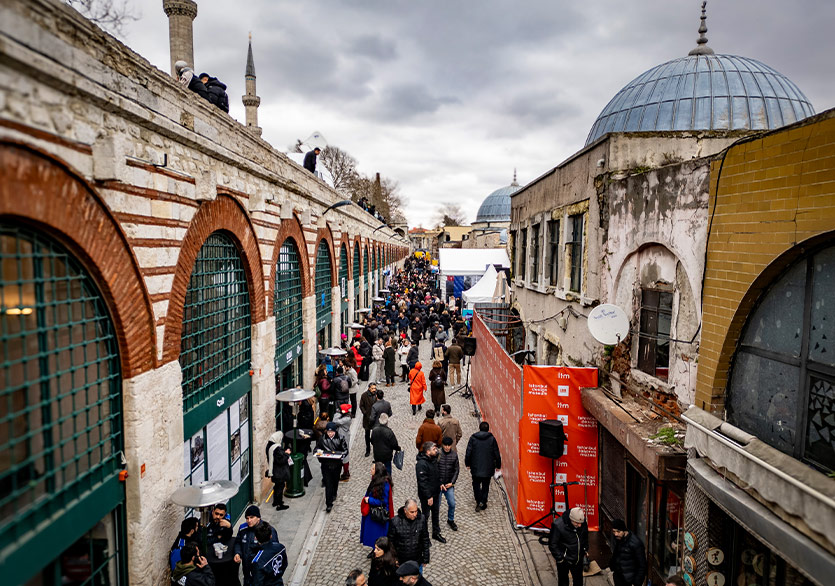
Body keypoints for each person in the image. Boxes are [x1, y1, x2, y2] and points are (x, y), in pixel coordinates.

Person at [234, 506, 278, 586]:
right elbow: (238, 542)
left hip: (261, 574)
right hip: (247, 572)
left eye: (251, 517)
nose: (249, 520)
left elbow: (274, 552)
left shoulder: (267, 531)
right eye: (247, 518)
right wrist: (237, 553)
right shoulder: (242, 528)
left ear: (258, 518)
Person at [465, 421, 502, 510]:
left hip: (476, 467)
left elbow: (468, 452)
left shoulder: (473, 438)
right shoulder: (492, 439)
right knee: (486, 486)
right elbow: (496, 453)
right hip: (488, 467)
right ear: (488, 429)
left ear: (479, 428)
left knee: (476, 485)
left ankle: (478, 501)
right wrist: (498, 465)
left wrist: (467, 463)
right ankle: (483, 501)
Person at [548, 507, 589, 586]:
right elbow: (552, 544)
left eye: (581, 523)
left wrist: (585, 549)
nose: (580, 525)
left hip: (578, 559)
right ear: (571, 519)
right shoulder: (558, 525)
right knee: (563, 582)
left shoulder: (582, 522)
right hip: (564, 560)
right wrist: (560, 558)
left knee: (578, 581)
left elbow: (585, 537)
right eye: (577, 523)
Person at [387, 499, 431, 570]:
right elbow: (390, 543)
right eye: (412, 512)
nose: (415, 514)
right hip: (401, 561)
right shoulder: (395, 522)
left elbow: (425, 539)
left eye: (416, 511)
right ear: (405, 510)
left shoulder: (422, 519)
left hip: (417, 560)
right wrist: (394, 559)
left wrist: (426, 558)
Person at [415, 441, 445, 543]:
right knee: (425, 516)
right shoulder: (421, 464)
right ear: (428, 451)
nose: (436, 450)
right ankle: (424, 537)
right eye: (434, 449)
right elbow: (422, 482)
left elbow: (437, 474)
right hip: (427, 496)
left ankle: (436, 533)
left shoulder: (433, 460)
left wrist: (440, 483)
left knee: (435, 514)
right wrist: (428, 496)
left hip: (436, 493)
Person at [361, 462, 395, 550]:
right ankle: (374, 548)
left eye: (372, 469)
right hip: (373, 512)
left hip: (379, 514)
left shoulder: (385, 484)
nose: (370, 470)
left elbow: (384, 501)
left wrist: (369, 500)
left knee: (377, 534)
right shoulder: (376, 480)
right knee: (372, 533)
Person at [317, 422, 348, 512]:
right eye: (329, 432)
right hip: (326, 465)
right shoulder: (322, 439)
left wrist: (341, 456)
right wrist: (320, 456)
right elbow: (317, 449)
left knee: (335, 481)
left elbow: (345, 450)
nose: (330, 434)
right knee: (328, 484)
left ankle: (334, 493)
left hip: (337, 465)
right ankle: (329, 504)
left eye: (332, 432)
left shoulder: (341, 438)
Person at [206, 503, 240, 586]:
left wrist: (229, 527)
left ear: (224, 515)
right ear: (213, 511)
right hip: (208, 554)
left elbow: (227, 537)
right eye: (216, 514)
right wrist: (217, 537)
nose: (218, 517)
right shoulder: (206, 520)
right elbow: (204, 540)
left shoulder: (225, 521)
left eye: (221, 515)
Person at [610, 519, 647, 586]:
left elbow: (642, 565)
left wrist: (636, 583)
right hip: (618, 575)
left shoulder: (636, 543)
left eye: (618, 531)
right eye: (614, 531)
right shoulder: (617, 538)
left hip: (629, 579)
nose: (615, 534)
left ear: (624, 530)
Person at [249, 522, 287, 586]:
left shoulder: (257, 561)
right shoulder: (281, 548)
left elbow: (257, 582)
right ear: (271, 536)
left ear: (256, 538)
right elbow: (284, 565)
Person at [438, 436, 459, 532]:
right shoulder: (438, 454)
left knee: (452, 503)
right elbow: (434, 469)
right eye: (445, 445)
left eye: (448, 445)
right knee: (436, 505)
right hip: (439, 484)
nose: (447, 447)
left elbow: (456, 470)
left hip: (449, 484)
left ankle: (450, 520)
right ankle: (435, 521)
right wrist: (439, 483)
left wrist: (452, 483)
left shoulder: (454, 455)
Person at [266, 431, 291, 511]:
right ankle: (279, 504)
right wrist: (287, 454)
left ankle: (275, 501)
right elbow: (280, 460)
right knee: (280, 487)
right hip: (279, 472)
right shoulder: (277, 449)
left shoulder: (269, 446)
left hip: (274, 471)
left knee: (277, 486)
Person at [333, 404, 353, 481]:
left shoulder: (347, 419)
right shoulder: (347, 416)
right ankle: (345, 472)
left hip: (343, 437)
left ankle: (346, 473)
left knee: (344, 455)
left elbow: (335, 421)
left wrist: (337, 413)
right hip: (343, 435)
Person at [360, 383, 378, 458]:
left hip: (375, 418)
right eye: (372, 388)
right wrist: (365, 413)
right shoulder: (364, 395)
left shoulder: (377, 395)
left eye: (375, 388)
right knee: (367, 435)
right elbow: (361, 405)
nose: (374, 390)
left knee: (375, 435)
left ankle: (376, 449)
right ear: (369, 388)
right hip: (367, 418)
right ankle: (368, 449)